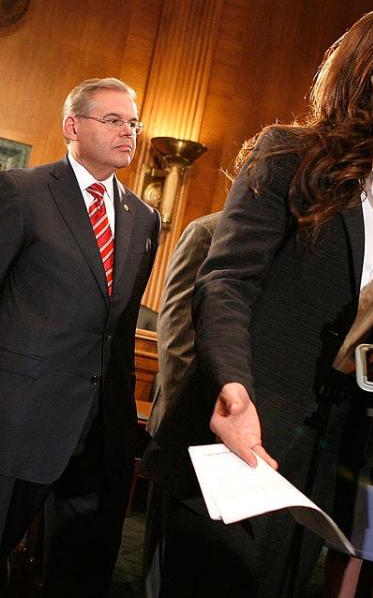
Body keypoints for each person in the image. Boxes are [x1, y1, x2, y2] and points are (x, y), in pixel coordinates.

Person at [151, 1, 373, 597]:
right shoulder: (289, 155)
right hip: (242, 434)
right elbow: (225, 282)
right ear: (370, 71)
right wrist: (232, 385)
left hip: (324, 457)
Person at [0, 77, 161, 597]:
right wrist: (9, 367)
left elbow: (121, 324)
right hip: (16, 409)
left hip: (100, 424)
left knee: (82, 566)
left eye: (132, 123)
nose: (127, 132)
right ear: (73, 126)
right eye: (113, 120)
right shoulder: (22, 192)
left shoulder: (144, 218)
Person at [140, 211, 220, 596]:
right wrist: (194, 419)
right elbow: (175, 336)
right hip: (186, 426)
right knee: (166, 566)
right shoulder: (207, 231)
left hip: (238, 436)